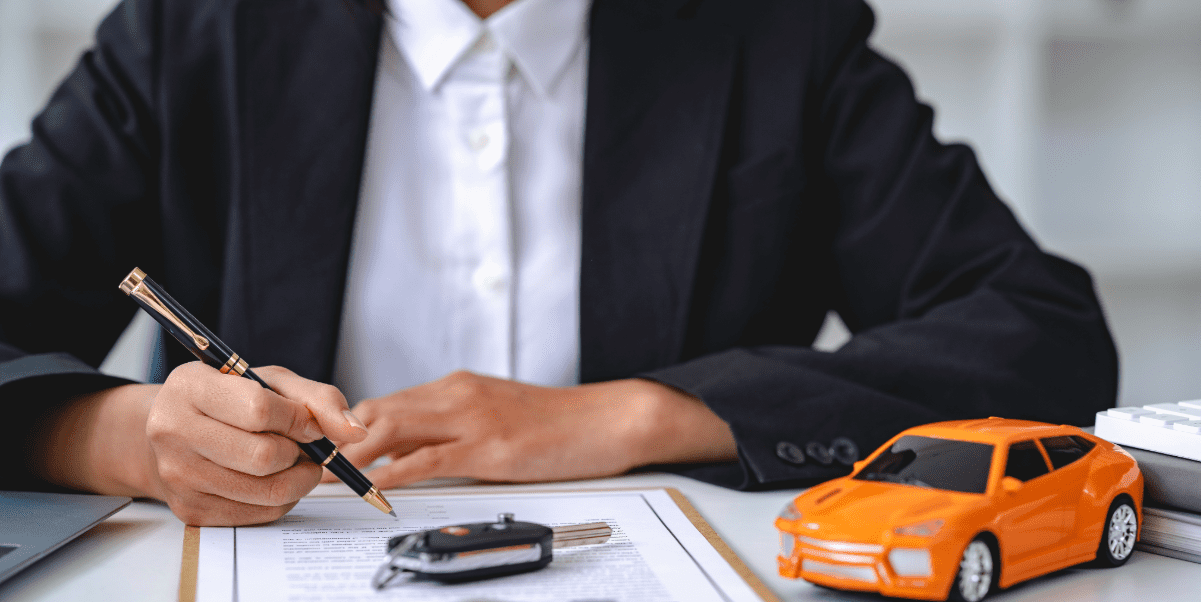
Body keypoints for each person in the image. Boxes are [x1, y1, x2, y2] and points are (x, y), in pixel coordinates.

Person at [0, 0, 1117, 526]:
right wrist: (126, 439)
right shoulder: (192, 32)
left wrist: (641, 414)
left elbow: (1041, 332)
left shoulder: (775, 32)